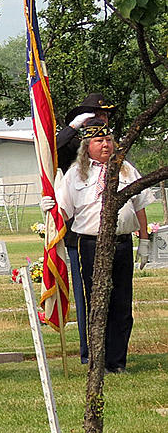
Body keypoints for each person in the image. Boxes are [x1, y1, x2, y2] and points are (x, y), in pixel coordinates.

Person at [45, 119, 153, 373]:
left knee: (122, 305)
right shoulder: (76, 173)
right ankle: (99, 361)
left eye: (108, 140)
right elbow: (64, 209)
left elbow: (140, 207)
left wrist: (145, 241)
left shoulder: (125, 169)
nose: (105, 145)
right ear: (87, 145)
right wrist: (50, 210)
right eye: (98, 140)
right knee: (97, 303)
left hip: (122, 243)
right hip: (91, 244)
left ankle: (118, 361)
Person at [53, 93, 116, 364]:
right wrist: (74, 127)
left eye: (105, 117)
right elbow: (50, 150)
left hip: (110, 229)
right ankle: (88, 351)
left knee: (116, 297)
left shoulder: (107, 144)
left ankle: (113, 352)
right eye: (98, 116)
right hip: (81, 231)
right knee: (87, 296)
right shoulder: (72, 143)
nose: (104, 121)